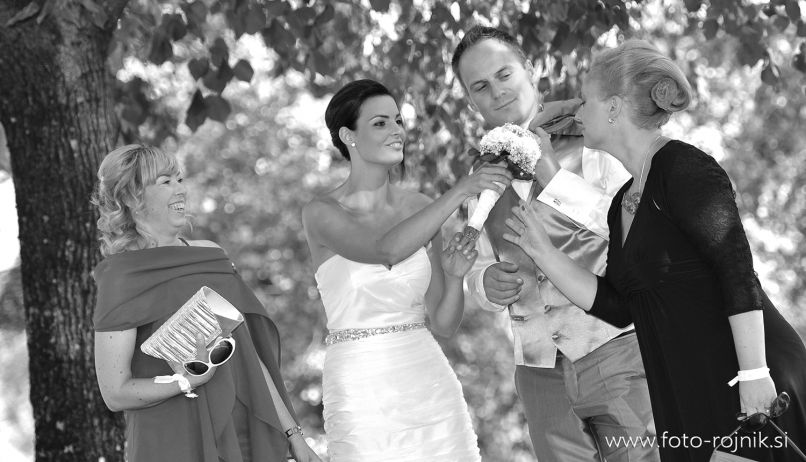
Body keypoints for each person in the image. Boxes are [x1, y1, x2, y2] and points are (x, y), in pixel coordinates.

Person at [503, 39, 806, 461]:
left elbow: (737, 273)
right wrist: (542, 252)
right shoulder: (624, 201)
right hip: (688, 387)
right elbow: (619, 306)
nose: (576, 112)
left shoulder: (685, 168)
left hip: (747, 375)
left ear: (613, 108)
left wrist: (754, 374)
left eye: (585, 101)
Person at [452, 25, 659, 461]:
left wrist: (555, 178)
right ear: (470, 100)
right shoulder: (479, 176)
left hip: (617, 347)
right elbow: (476, 265)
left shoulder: (595, 137)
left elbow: (636, 226)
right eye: (480, 86)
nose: (497, 91)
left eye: (504, 74)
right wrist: (484, 284)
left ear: (530, 69)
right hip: (537, 369)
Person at [302, 79, 512, 461]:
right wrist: (461, 190)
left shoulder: (420, 207)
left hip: (429, 384)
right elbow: (385, 251)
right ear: (348, 136)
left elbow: (443, 324)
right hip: (360, 390)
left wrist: (454, 277)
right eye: (380, 123)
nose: (397, 130)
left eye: (398, 120)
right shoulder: (321, 213)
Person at [91, 145, 321, 462]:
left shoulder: (210, 255)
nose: (180, 189)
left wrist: (294, 435)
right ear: (132, 197)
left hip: (244, 431)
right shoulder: (122, 276)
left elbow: (250, 357)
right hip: (173, 440)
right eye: (165, 181)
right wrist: (185, 381)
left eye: (180, 179)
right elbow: (115, 392)